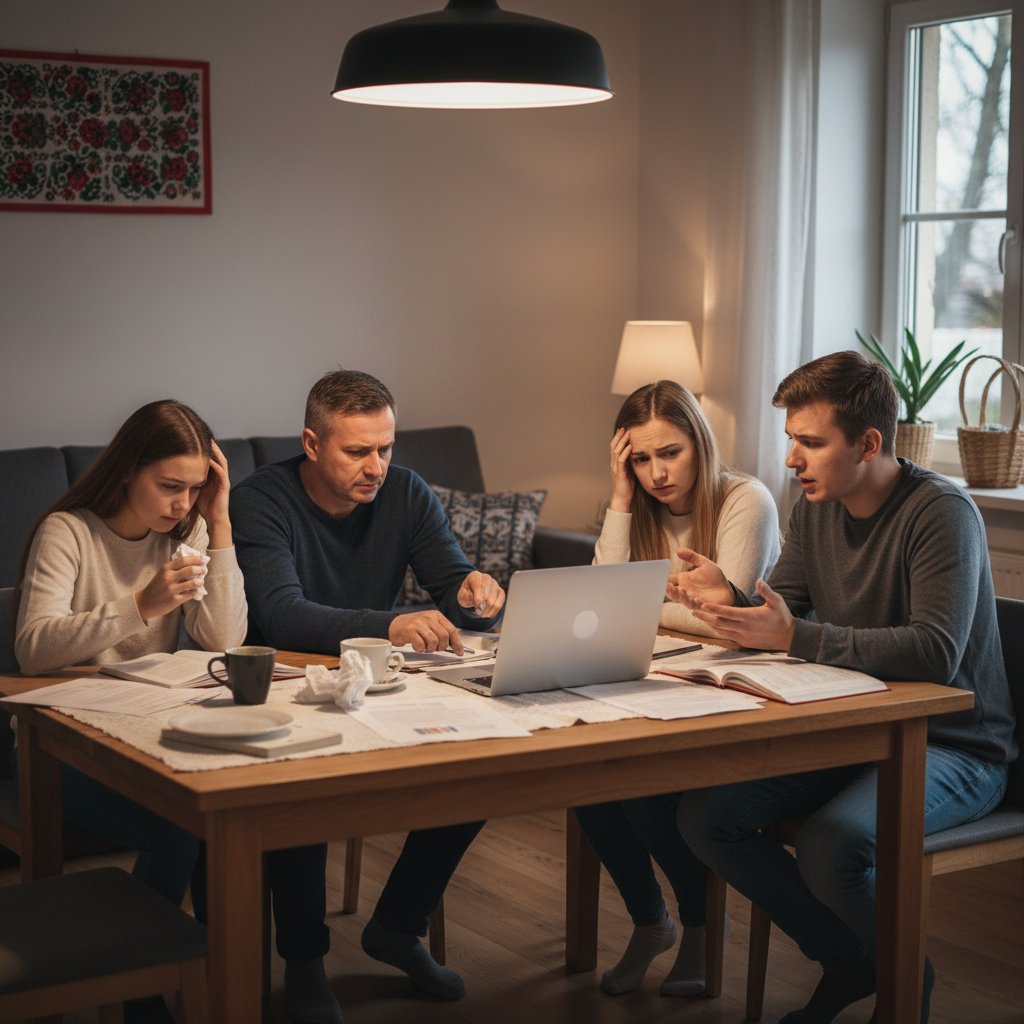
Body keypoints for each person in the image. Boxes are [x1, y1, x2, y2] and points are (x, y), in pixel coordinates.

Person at [669, 351, 1017, 1023]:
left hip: (955, 746)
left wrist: (786, 633)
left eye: (811, 442)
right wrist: (732, 600)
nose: (793, 460)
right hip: (857, 728)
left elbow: (935, 652)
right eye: (791, 441)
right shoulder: (816, 508)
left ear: (869, 444)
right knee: (706, 817)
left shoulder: (942, 512)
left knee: (833, 843)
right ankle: (852, 958)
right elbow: (788, 611)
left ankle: (900, 979)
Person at [230, 368, 505, 1024]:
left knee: (481, 767)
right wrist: (391, 624)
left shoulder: (405, 492)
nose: (376, 466)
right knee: (304, 787)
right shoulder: (259, 499)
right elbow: (282, 615)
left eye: (386, 447)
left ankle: (397, 929)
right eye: (358, 451)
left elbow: (450, 581)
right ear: (312, 442)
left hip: (377, 683)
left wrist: (473, 590)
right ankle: (303, 961)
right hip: (283, 686)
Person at [14, 398, 248, 1024]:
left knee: (221, 807)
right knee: (178, 825)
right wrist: (139, 607)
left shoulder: (189, 531)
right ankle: (140, 987)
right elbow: (33, 649)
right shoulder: (70, 531)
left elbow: (225, 639)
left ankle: (220, 977)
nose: (182, 503)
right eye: (171, 486)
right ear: (126, 472)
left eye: (196, 489)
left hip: (143, 727)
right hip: (60, 744)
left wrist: (219, 522)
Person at [575, 380, 780, 997]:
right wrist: (617, 500)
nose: (657, 473)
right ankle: (650, 921)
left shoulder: (746, 500)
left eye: (671, 452)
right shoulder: (634, 511)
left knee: (643, 792)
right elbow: (599, 605)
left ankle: (699, 929)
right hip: (653, 683)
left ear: (701, 443)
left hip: (733, 691)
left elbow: (733, 624)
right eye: (639, 459)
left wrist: (645, 605)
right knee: (585, 782)